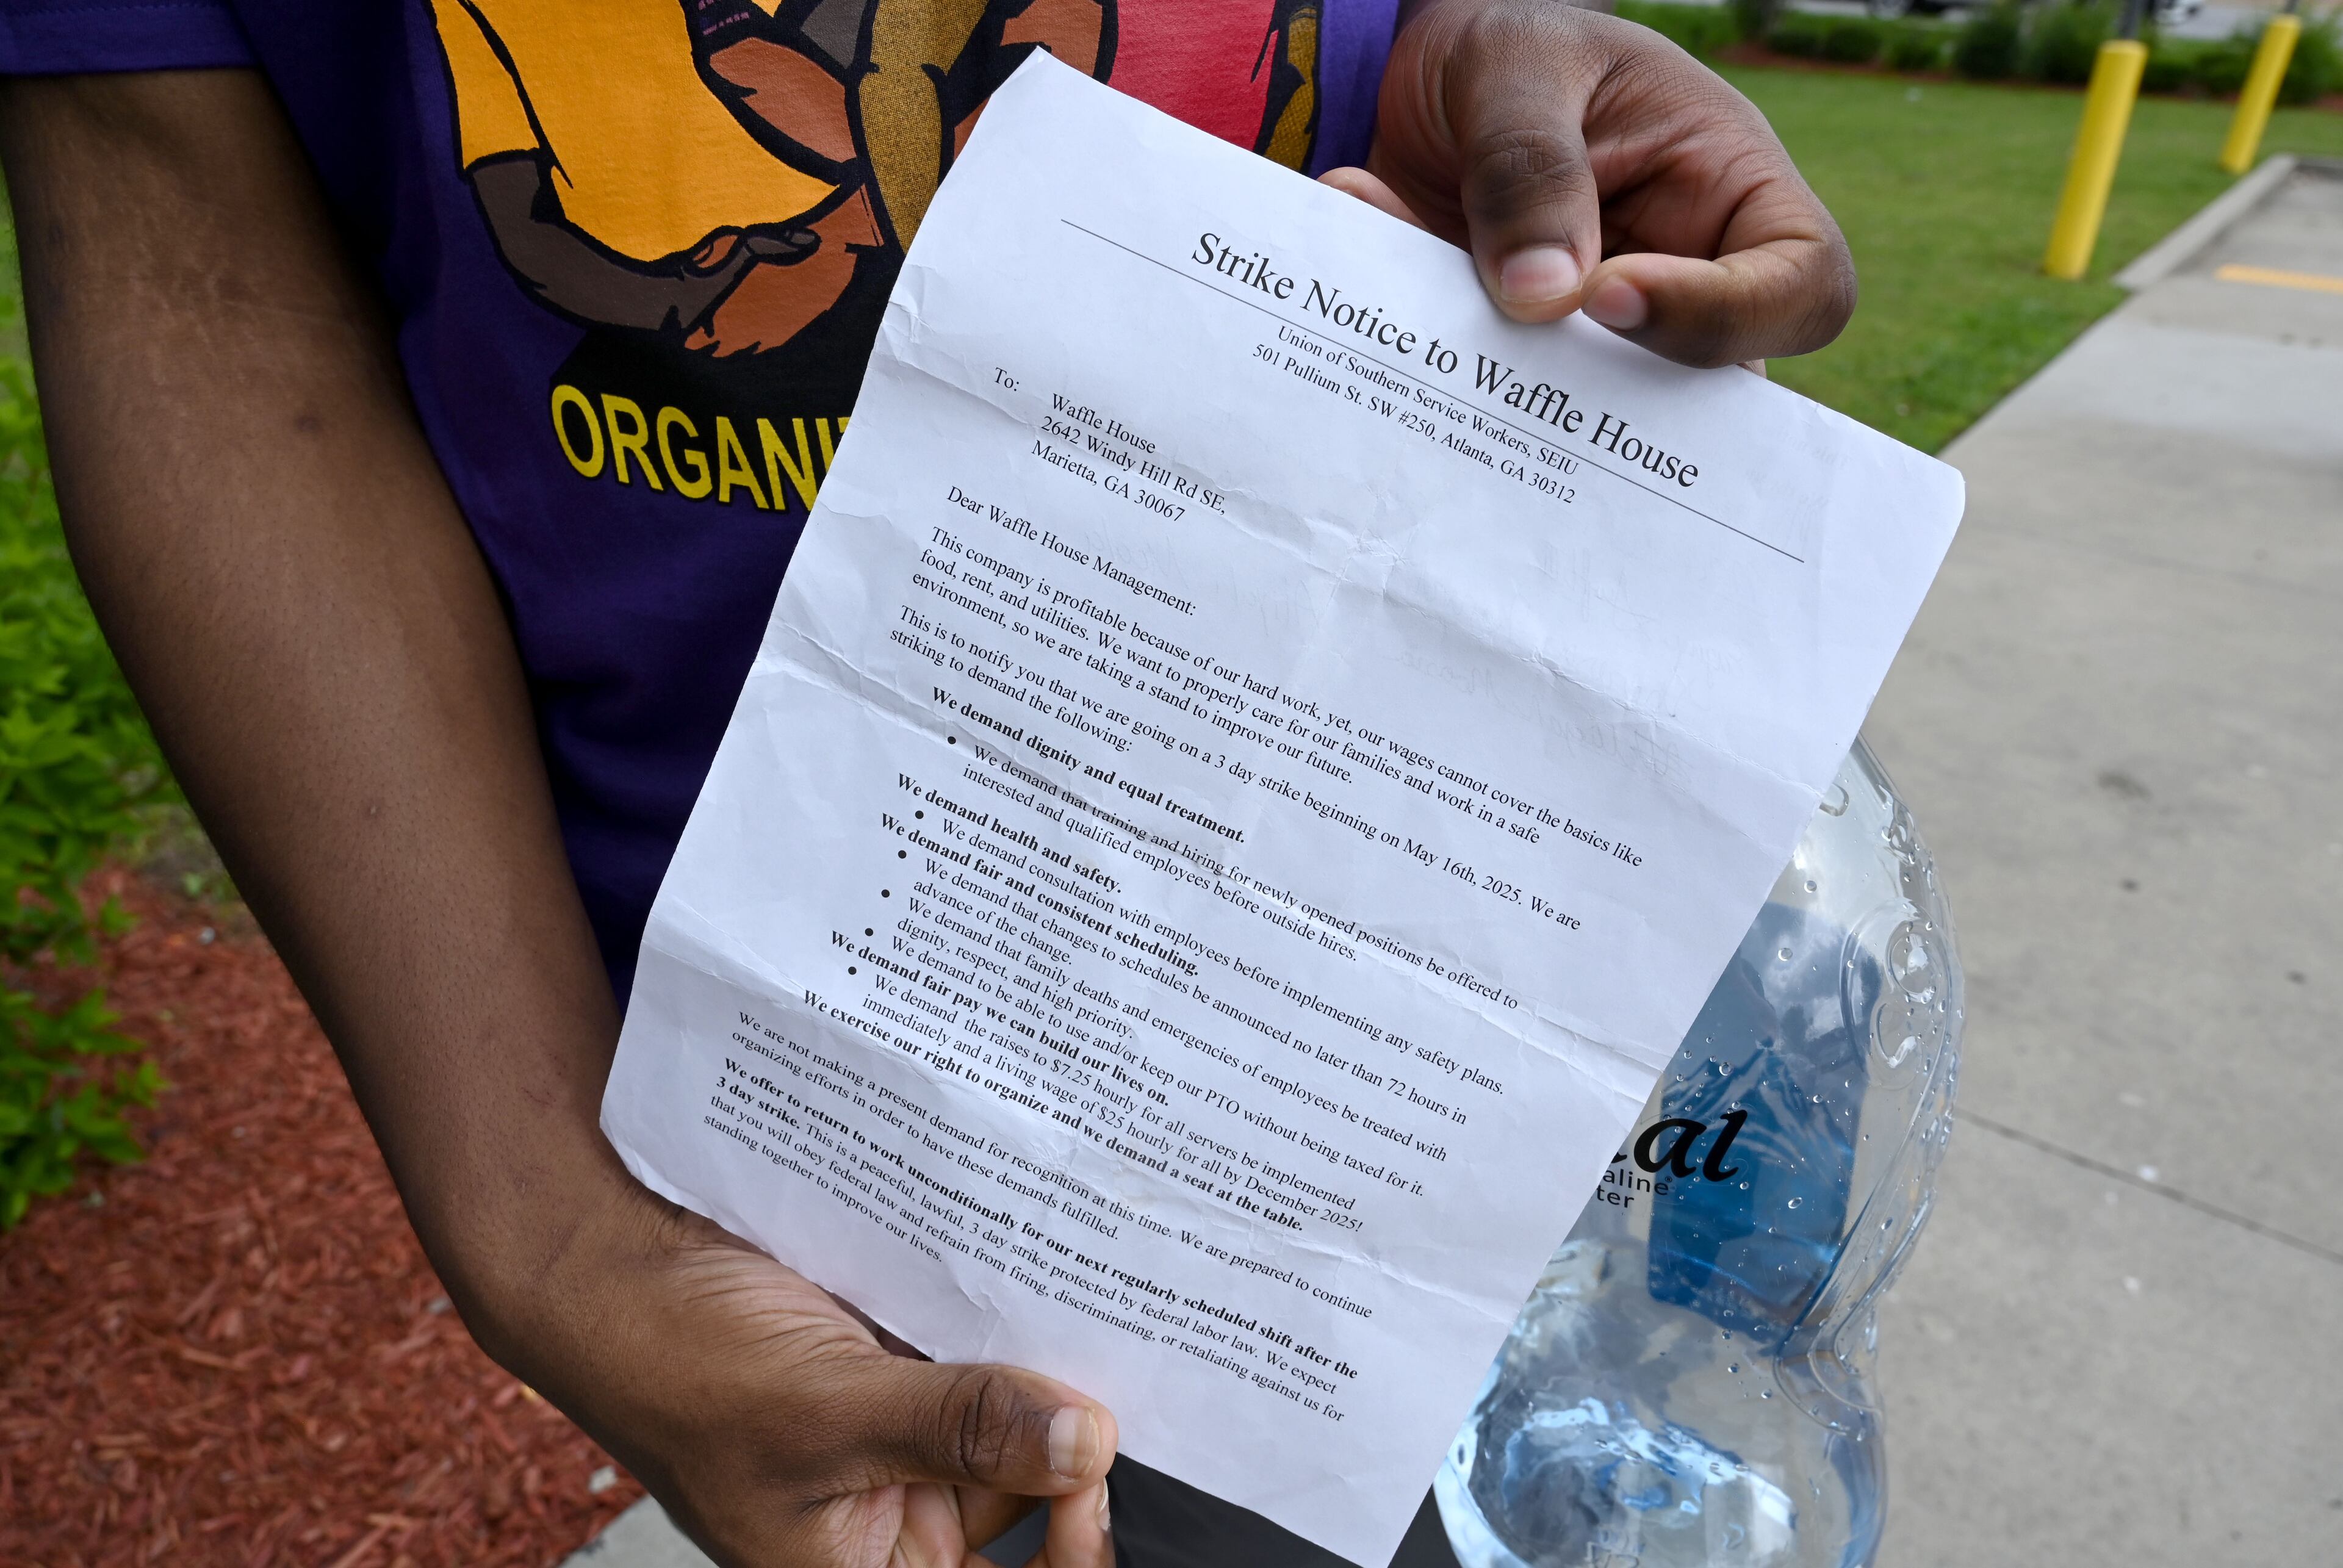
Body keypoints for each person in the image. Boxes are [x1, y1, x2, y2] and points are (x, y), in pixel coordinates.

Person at [0, 2, 1854, 1563]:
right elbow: (198, 281)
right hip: (861, 1149)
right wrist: (555, 1231)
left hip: (1499, 911)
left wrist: (1476, 55)